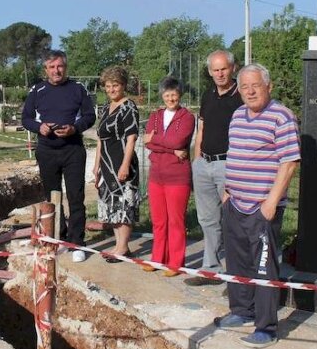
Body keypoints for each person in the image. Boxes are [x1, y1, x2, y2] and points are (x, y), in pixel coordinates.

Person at [215, 63, 300, 349]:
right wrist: (227, 192)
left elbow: (289, 163)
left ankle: (267, 327)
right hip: (235, 203)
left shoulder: (282, 117)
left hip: (262, 207)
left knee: (264, 267)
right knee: (237, 262)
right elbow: (235, 154)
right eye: (245, 87)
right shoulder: (238, 114)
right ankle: (241, 310)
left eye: (256, 86)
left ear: (268, 86)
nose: (250, 91)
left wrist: (272, 202)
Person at [22, 50, 96, 262]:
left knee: (76, 197)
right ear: (45, 69)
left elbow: (90, 116)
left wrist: (74, 128)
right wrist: (39, 127)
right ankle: (58, 237)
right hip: (46, 150)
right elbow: (26, 118)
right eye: (52, 67)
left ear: (66, 67)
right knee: (52, 197)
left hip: (73, 149)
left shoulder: (78, 89)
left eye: (60, 66)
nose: (57, 70)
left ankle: (77, 243)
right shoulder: (37, 90)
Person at [186, 50, 243, 286]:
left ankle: (236, 275)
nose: (219, 73)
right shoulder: (208, 95)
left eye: (224, 69)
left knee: (234, 220)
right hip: (205, 164)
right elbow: (202, 128)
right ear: (209, 72)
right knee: (207, 219)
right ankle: (210, 268)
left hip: (229, 164)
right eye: (215, 70)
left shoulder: (241, 96)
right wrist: (196, 160)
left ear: (233, 69)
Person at [143, 76, 194, 276]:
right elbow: (148, 143)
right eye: (167, 95)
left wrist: (156, 139)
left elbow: (178, 140)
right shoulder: (155, 116)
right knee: (159, 220)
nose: (170, 98)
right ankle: (157, 258)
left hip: (177, 176)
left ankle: (176, 262)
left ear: (179, 95)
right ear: (162, 95)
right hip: (157, 175)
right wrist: (172, 150)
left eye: (173, 94)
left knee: (175, 220)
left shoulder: (187, 117)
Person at [92, 66, 140, 263]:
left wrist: (125, 165)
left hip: (122, 161)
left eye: (116, 85)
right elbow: (100, 139)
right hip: (106, 163)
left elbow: (131, 138)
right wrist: (96, 166)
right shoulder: (104, 108)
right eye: (108, 86)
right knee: (112, 205)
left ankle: (123, 247)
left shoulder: (129, 107)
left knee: (124, 204)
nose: (112, 89)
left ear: (123, 86)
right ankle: (119, 244)